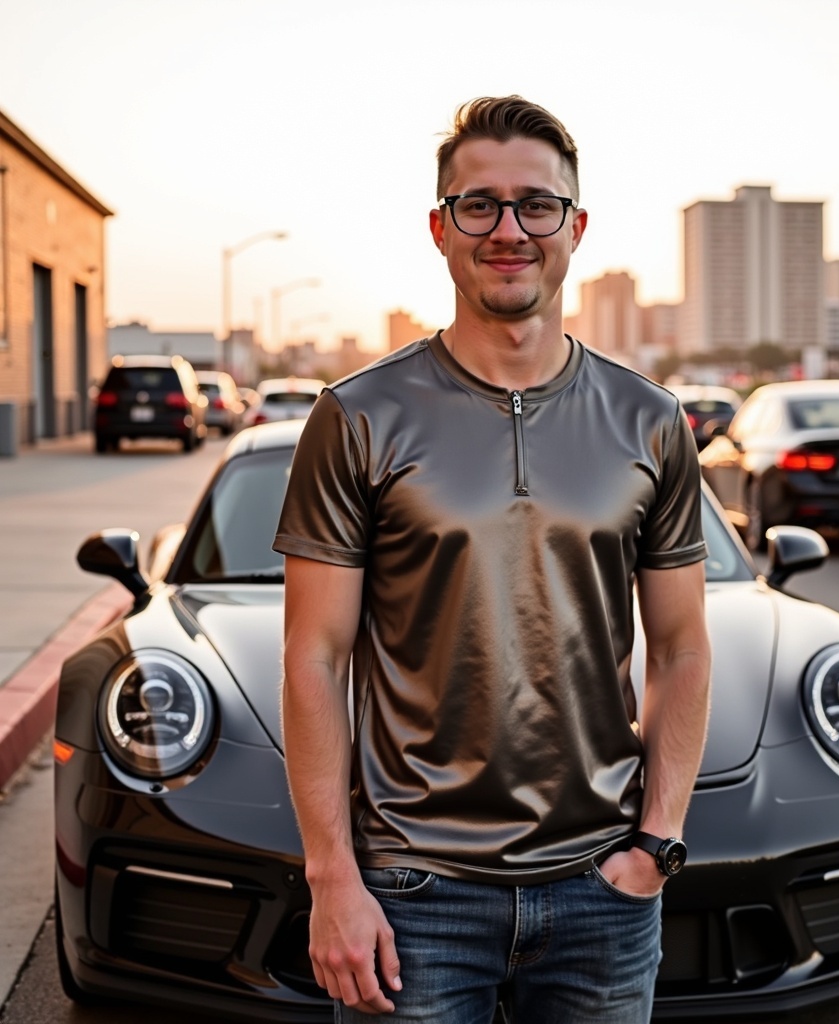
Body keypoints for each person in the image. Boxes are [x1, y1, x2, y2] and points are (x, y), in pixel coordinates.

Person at [273, 95, 712, 1024]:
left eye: (536, 205)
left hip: (602, 892)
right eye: (479, 205)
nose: (509, 230)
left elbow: (681, 647)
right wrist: (333, 878)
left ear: (575, 228)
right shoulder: (358, 416)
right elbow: (314, 656)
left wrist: (656, 845)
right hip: (412, 896)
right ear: (440, 228)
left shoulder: (651, 419)